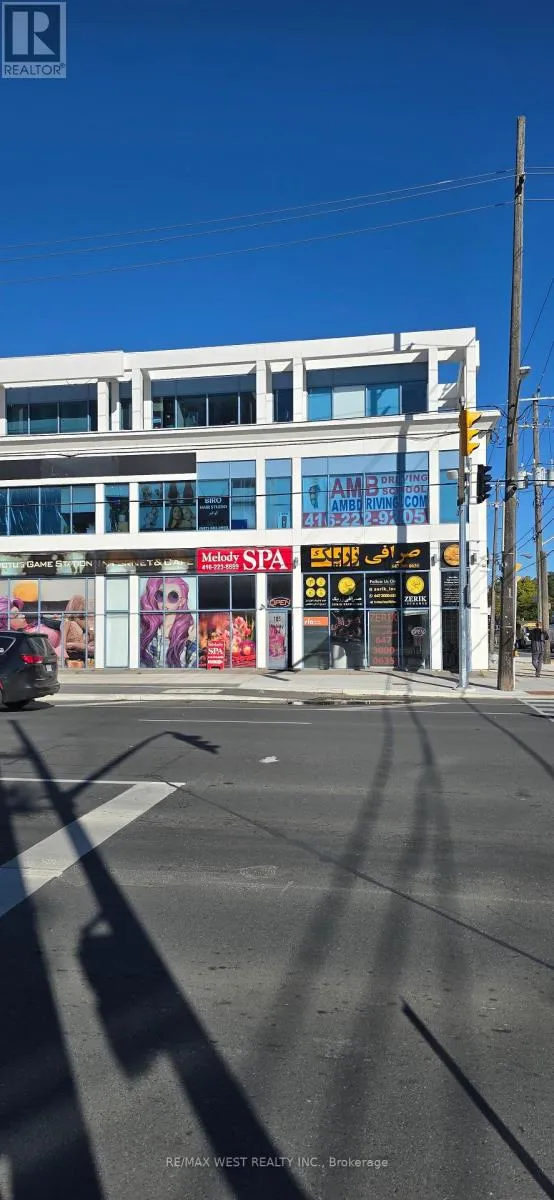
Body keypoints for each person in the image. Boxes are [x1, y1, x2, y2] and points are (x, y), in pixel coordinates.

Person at [140, 576, 196, 668]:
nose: (165, 602)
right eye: (161, 595)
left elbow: (195, 665)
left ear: (181, 601)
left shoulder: (189, 630)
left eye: (173, 596)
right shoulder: (151, 631)